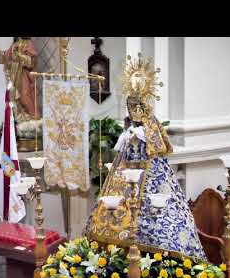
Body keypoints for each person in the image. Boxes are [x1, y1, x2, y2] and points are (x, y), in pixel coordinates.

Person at [86, 53, 207, 261]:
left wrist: (141, 135)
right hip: (126, 174)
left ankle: (157, 254)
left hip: (150, 175)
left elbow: (157, 144)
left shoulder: (150, 124)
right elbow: (122, 146)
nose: (132, 111)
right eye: (129, 108)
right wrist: (128, 135)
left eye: (135, 108)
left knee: (153, 217)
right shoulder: (130, 127)